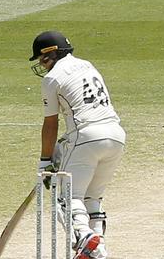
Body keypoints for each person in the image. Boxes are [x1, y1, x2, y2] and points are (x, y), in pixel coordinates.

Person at [29, 31, 125, 259]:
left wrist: (45, 162)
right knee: (92, 199)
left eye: (42, 59)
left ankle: (84, 237)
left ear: (51, 54)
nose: (42, 65)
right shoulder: (87, 65)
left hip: (86, 136)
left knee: (66, 198)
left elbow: (50, 124)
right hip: (116, 136)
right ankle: (98, 250)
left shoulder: (52, 79)